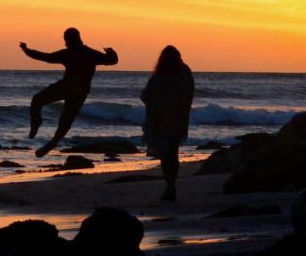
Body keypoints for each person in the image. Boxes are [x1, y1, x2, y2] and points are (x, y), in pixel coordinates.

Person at [20, 28, 119, 157]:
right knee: (64, 118)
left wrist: (27, 50)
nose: (65, 42)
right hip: (79, 91)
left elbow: (46, 57)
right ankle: (45, 132)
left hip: (67, 87)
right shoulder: (90, 53)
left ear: (72, 39)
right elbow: (111, 61)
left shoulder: (71, 53)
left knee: (42, 102)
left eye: (66, 39)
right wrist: (111, 52)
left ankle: (43, 130)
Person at [141, 45, 195, 201]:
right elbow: (189, 95)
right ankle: (171, 185)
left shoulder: (158, 78)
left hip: (161, 121)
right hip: (178, 120)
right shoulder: (184, 78)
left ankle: (169, 186)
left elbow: (146, 96)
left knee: (166, 156)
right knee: (173, 153)